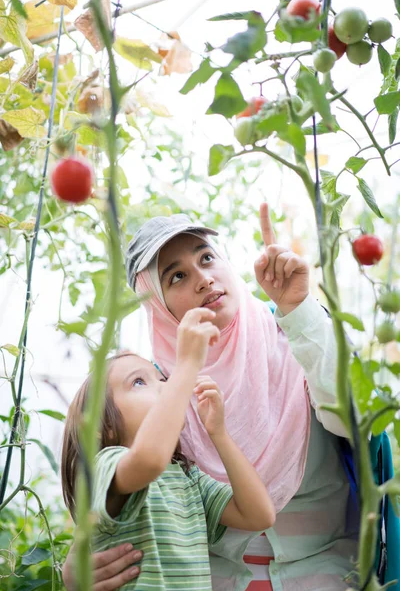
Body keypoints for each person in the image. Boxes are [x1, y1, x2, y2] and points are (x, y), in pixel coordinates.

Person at [63, 204, 358, 591]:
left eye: (207, 258)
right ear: (157, 306)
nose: (203, 279)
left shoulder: (300, 334)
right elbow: (122, 491)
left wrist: (300, 310)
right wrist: (76, 562)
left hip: (330, 573)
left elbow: (354, 418)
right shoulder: (163, 388)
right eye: (177, 277)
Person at [61, 308, 275, 590]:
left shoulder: (189, 480)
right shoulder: (105, 466)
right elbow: (149, 461)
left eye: (163, 379)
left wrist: (218, 434)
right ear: (104, 427)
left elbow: (259, 514)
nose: (165, 387)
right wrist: (186, 364)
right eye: (139, 382)